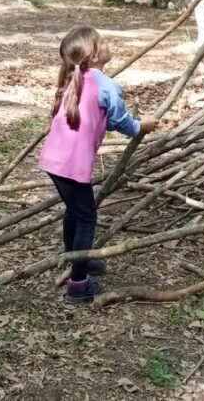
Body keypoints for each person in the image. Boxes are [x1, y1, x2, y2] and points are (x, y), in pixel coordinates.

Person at [39, 26, 158, 305]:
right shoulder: (104, 83)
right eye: (102, 41)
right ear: (93, 54)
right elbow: (121, 121)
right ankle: (78, 284)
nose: (107, 43)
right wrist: (143, 125)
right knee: (87, 217)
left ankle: (77, 258)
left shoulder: (76, 78)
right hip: (71, 164)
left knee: (77, 212)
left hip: (54, 161)